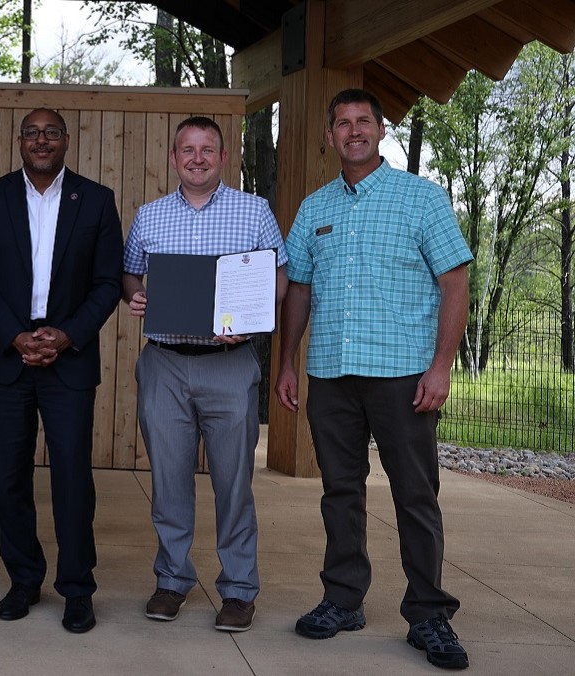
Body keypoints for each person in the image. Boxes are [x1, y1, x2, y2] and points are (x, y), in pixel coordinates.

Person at [275, 89, 472, 670]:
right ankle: (342, 599)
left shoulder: (422, 200)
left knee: (415, 495)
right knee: (340, 492)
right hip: (331, 375)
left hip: (403, 377)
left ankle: (430, 614)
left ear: (381, 130)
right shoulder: (314, 209)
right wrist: (286, 362)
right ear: (330, 137)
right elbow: (299, 291)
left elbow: (455, 285)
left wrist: (441, 367)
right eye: (342, 123)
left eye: (364, 121)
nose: (353, 130)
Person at [121, 116, 288, 633]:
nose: (197, 157)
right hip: (165, 363)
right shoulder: (150, 216)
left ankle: (238, 590)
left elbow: (279, 277)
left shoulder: (254, 211)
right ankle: (172, 580)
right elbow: (129, 273)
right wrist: (136, 296)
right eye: (187, 149)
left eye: (207, 149)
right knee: (168, 482)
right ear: (174, 158)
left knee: (233, 483)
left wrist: (256, 319)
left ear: (222, 157)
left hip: (230, 365)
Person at [0, 108, 123, 634]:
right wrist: (15, 334)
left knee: (73, 480)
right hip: (6, 357)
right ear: (20, 141)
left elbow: (107, 283)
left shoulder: (96, 200)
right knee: (6, 480)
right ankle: (24, 578)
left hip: (68, 359)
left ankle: (77, 588)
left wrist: (67, 335)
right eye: (32, 133)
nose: (41, 140)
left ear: (66, 141)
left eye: (51, 133)